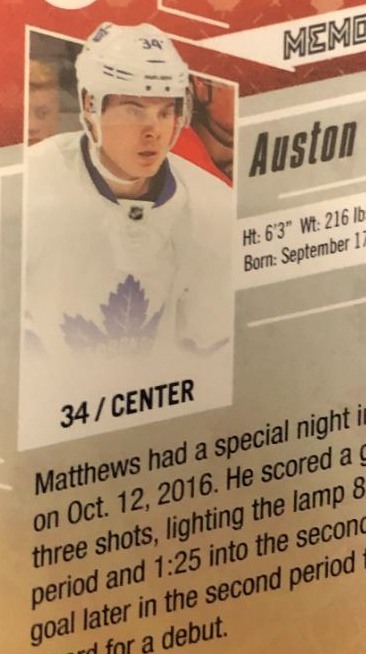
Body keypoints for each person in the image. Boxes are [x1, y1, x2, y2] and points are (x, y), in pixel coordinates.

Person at [22, 24, 233, 385]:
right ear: (90, 106)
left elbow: (210, 351)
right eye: (134, 111)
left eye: (164, 112)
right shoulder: (31, 183)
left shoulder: (211, 205)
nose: (153, 131)